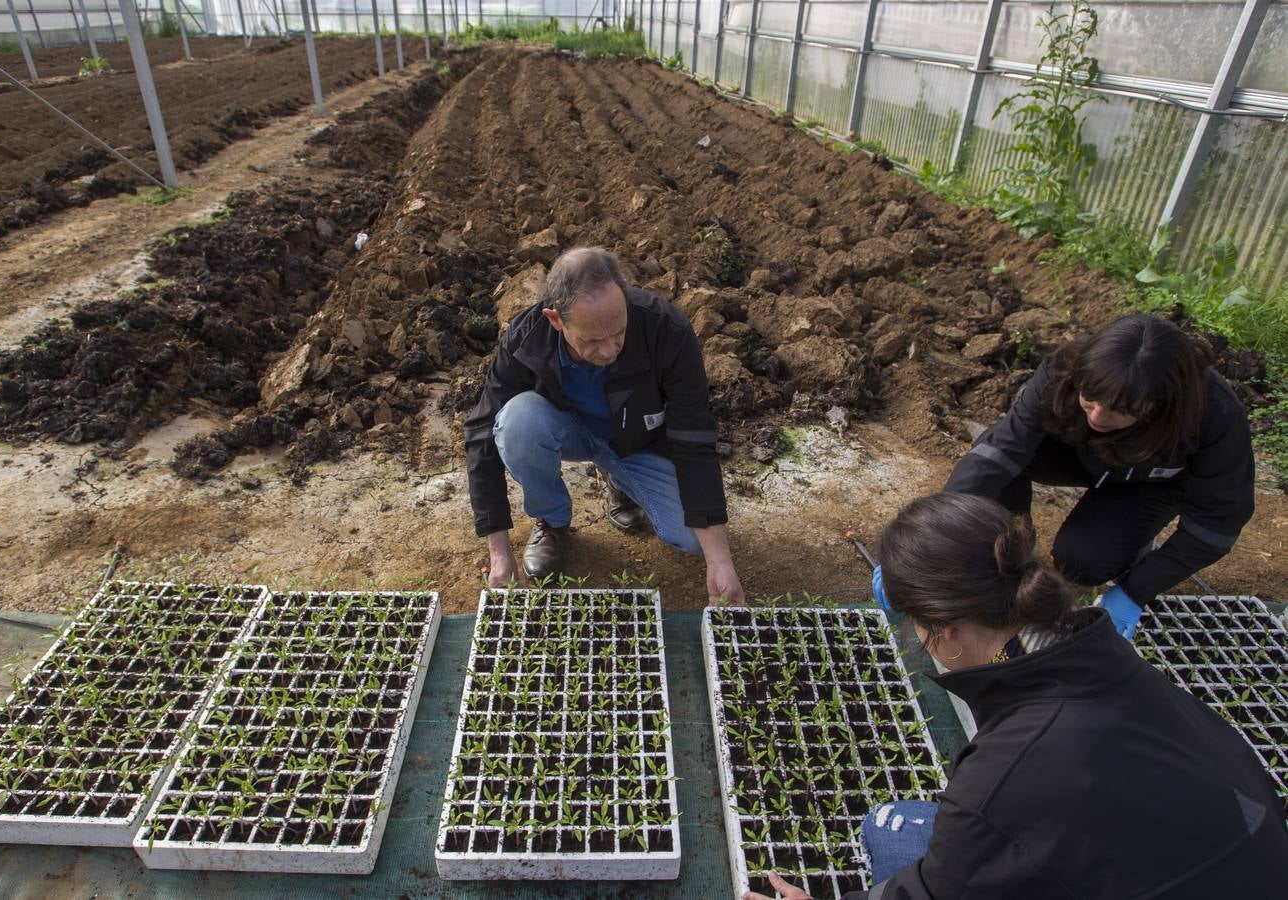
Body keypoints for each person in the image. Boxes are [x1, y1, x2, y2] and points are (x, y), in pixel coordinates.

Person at [751, 492, 1288, 900]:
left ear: (947, 629)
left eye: (913, 621)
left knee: (890, 828)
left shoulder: (1007, 776)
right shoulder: (1101, 655)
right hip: (1239, 862)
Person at [943, 313, 1254, 638]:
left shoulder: (1213, 415)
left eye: (1121, 409)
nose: (1098, 416)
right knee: (994, 464)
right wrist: (928, 534)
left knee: (1083, 560)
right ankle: (1013, 551)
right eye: (1089, 398)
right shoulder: (1065, 371)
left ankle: (1132, 539)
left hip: (1152, 479)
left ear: (1160, 403)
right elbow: (1000, 451)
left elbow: (1217, 524)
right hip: (1078, 454)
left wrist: (1135, 591)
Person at [463, 246, 745, 603]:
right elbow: (481, 435)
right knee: (517, 421)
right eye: (592, 341)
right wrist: (500, 552)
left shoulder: (666, 330)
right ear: (556, 320)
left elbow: (694, 436)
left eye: (618, 333)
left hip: (639, 442)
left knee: (693, 538)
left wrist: (720, 562)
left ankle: (620, 479)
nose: (610, 350)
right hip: (566, 430)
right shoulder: (526, 337)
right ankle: (552, 520)